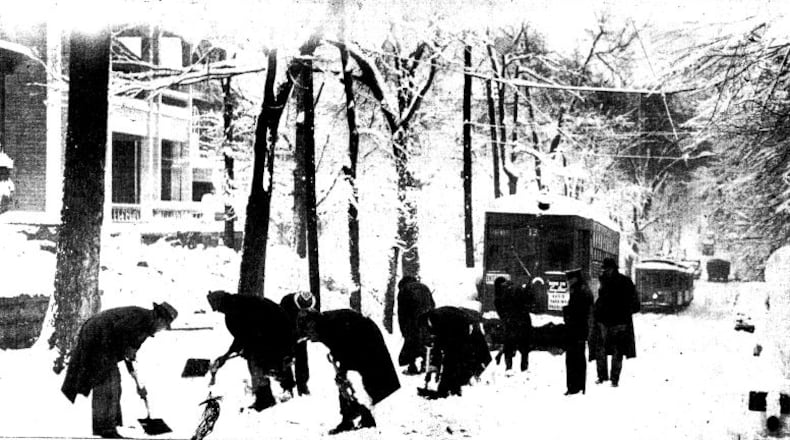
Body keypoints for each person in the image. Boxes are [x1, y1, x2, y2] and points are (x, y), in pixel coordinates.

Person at [61, 302, 178, 439]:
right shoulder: (139, 318)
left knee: (114, 381)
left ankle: (109, 424)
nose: (161, 330)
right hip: (98, 337)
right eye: (164, 326)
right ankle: (106, 428)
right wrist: (127, 349)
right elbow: (120, 333)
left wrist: (136, 378)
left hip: (103, 340)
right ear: (160, 319)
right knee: (107, 382)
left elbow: (129, 354)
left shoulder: (145, 325)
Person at [296, 309, 400, 435]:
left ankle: (367, 417)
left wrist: (343, 369)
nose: (310, 339)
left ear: (311, 325)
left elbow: (346, 348)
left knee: (365, 379)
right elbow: (339, 348)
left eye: (309, 335)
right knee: (345, 380)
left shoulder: (331, 326)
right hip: (355, 341)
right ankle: (349, 417)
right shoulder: (322, 325)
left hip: (367, 340)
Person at [206, 290, 296, 411]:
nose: (218, 311)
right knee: (261, 358)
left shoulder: (236, 310)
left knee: (256, 362)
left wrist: (227, 356)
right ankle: (281, 388)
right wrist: (229, 354)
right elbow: (244, 335)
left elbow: (245, 335)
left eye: (217, 308)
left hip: (276, 332)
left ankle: (266, 398)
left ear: (221, 303)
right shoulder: (239, 303)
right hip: (277, 330)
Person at [419, 306, 492, 398]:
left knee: (452, 358)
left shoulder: (437, 319)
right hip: (461, 328)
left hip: (464, 328)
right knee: (452, 358)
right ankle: (453, 387)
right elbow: (439, 343)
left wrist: (436, 363)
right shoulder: (435, 318)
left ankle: (449, 388)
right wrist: (434, 364)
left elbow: (443, 343)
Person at [589, 258, 640, 387]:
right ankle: (608, 378)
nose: (604, 272)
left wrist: (623, 311)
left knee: (611, 351)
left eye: (606, 269)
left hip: (614, 323)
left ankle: (609, 378)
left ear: (612, 269)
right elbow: (635, 304)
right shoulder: (621, 281)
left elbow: (635, 304)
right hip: (609, 322)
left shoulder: (619, 282)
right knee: (609, 351)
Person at [279, 290, 317, 395]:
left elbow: (313, 322)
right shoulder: (286, 301)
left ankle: (302, 385)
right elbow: (280, 319)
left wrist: (307, 334)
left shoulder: (313, 306)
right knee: (285, 359)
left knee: (302, 359)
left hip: (301, 336)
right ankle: (287, 387)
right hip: (285, 334)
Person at [562, 269, 593, 395]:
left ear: (574, 278)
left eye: (569, 279)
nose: (568, 282)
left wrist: (566, 312)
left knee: (573, 358)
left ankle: (573, 387)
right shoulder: (583, 289)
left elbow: (578, 311)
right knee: (578, 357)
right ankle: (578, 386)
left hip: (576, 329)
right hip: (580, 329)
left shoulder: (579, 291)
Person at [397, 276, 435, 375]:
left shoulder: (404, 290)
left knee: (410, 341)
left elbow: (402, 312)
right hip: (427, 318)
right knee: (425, 341)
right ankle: (425, 364)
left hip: (412, 320)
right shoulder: (425, 287)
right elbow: (433, 304)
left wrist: (403, 329)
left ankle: (412, 367)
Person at [493, 277, 532, 372]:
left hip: (512, 322)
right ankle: (524, 367)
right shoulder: (516, 289)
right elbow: (528, 302)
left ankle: (509, 368)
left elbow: (502, 314)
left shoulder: (499, 297)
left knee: (509, 346)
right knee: (524, 347)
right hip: (523, 321)